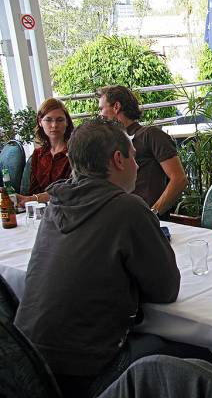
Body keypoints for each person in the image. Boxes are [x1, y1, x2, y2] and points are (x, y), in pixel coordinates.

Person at [13, 118, 182, 397]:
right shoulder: (127, 208)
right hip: (86, 374)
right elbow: (166, 290)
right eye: (134, 158)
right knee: (192, 355)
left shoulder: (56, 205)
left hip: (29, 369)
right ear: (118, 159)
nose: (138, 167)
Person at [98, 85, 187, 218]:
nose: (100, 114)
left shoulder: (150, 135)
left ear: (116, 106)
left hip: (147, 219)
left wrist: (152, 214)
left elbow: (179, 179)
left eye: (101, 109)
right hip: (120, 219)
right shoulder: (110, 142)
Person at [16, 98, 73, 206]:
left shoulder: (75, 153)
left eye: (60, 120)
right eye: (48, 120)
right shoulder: (37, 155)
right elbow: (28, 192)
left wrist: (33, 199)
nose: (54, 125)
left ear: (67, 122)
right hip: (39, 212)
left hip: (67, 212)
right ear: (40, 122)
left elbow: (70, 190)